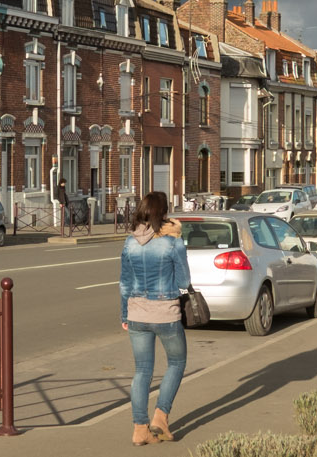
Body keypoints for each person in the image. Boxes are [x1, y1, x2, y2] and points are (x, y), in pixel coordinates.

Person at [119, 191, 189, 446]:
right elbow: (184, 282)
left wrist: (125, 315)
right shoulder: (173, 242)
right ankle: (160, 417)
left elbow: (124, 284)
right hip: (165, 313)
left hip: (137, 314)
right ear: (164, 213)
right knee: (177, 362)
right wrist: (180, 293)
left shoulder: (129, 242)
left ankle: (140, 429)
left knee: (142, 371)